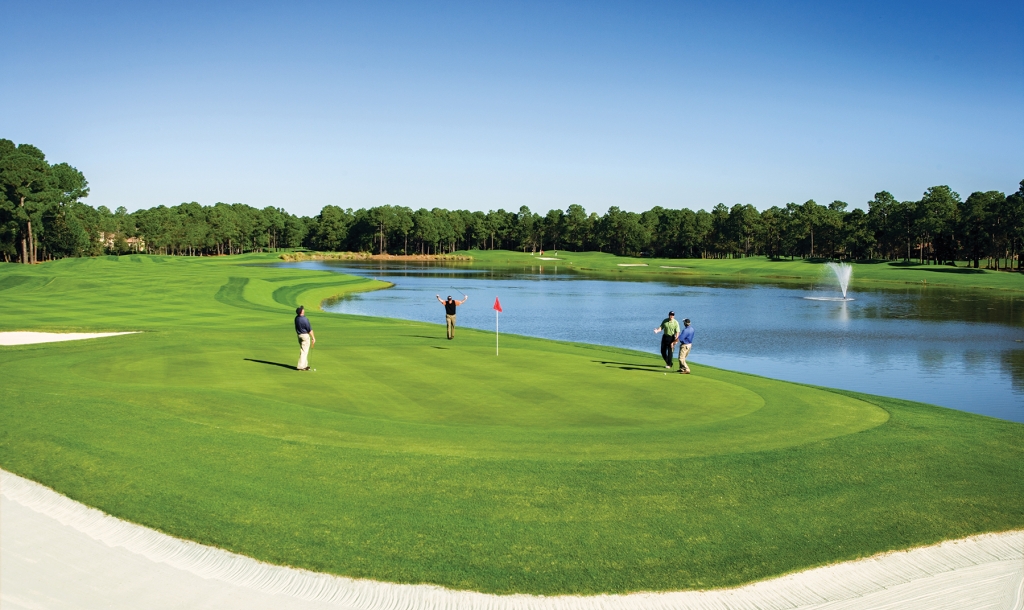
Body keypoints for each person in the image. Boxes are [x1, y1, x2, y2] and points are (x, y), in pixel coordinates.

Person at [294, 305, 315, 370]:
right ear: (301, 312)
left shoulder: (296, 318)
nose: (303, 310)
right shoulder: (305, 319)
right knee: (304, 351)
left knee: (304, 350)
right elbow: (310, 330)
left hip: (299, 335)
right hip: (305, 336)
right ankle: (300, 366)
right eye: (302, 309)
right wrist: (313, 338)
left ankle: (305, 365)